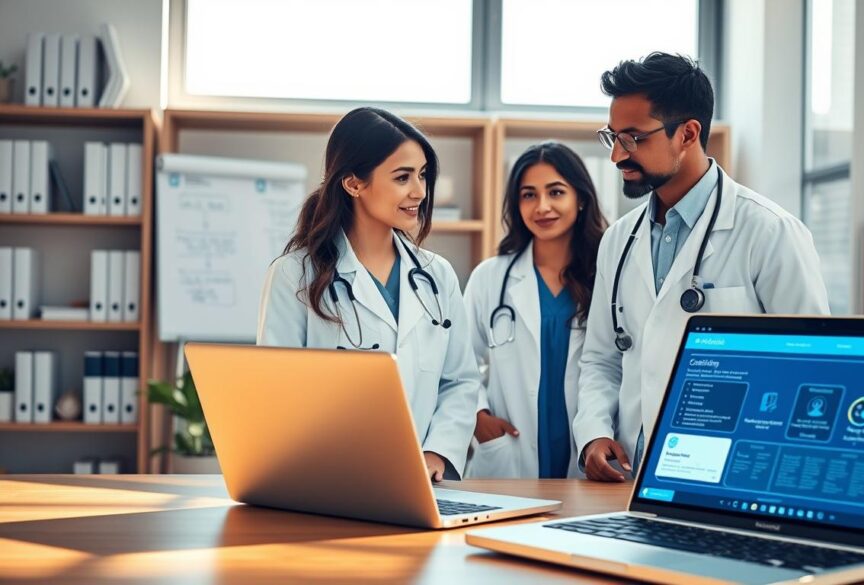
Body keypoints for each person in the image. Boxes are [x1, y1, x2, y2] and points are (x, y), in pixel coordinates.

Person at [574, 52, 830, 482]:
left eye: (633, 138)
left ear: (688, 133)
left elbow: (808, 366)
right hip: (627, 479)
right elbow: (601, 358)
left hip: (732, 475)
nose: (617, 155)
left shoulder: (770, 232)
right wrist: (594, 435)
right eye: (612, 137)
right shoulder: (618, 240)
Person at [257, 107, 478, 482]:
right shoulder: (294, 275)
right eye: (402, 176)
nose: (420, 191)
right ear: (354, 183)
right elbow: (277, 393)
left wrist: (437, 452)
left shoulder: (436, 275)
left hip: (425, 484)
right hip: (328, 481)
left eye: (423, 175)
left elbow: (460, 381)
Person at [463, 142, 608, 478]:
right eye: (529, 195)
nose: (542, 206)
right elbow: (458, 361)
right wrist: (477, 416)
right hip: (508, 456)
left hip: (587, 450)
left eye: (556, 192)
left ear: (581, 198)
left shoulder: (607, 275)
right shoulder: (491, 278)